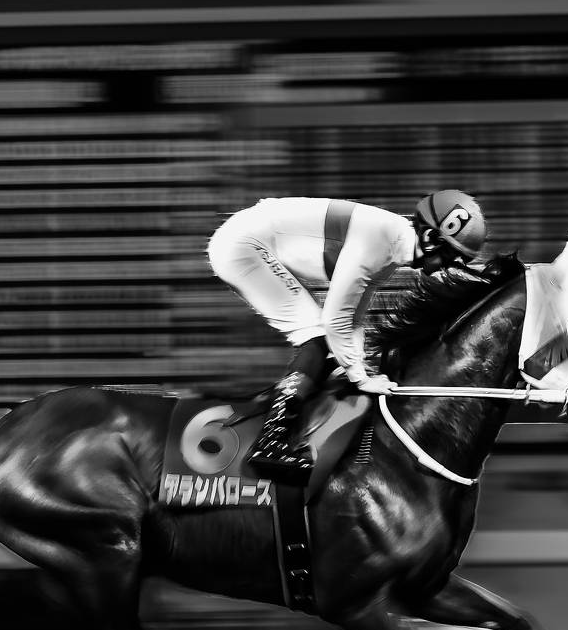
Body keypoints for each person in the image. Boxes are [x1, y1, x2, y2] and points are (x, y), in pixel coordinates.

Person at [207, 190, 490, 485]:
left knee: (327, 344)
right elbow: (336, 319)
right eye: (454, 256)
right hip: (243, 246)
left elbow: (354, 315)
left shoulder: (391, 245)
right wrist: (360, 378)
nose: (452, 266)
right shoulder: (380, 243)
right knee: (317, 338)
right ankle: (270, 441)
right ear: (430, 238)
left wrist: (358, 366)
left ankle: (286, 417)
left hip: (249, 238)